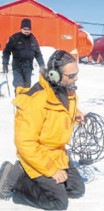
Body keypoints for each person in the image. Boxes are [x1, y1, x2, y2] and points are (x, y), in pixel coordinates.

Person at [0, 50, 85, 210]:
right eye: (71, 75)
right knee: (58, 203)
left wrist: (77, 115)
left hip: (58, 152)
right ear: (54, 75)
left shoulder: (67, 89)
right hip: (38, 154)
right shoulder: (36, 100)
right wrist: (51, 170)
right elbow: (24, 143)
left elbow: (62, 111)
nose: (76, 78)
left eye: (77, 73)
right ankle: (15, 176)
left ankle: (35, 178)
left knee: (76, 190)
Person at [2, 18, 45, 89]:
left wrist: (42, 65)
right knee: (19, 86)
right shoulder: (15, 38)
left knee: (27, 87)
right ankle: (18, 99)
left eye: (28, 29)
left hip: (28, 67)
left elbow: (38, 54)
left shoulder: (33, 40)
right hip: (17, 66)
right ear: (21, 28)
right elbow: (6, 51)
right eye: (25, 29)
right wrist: (5, 63)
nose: (26, 31)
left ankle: (25, 100)